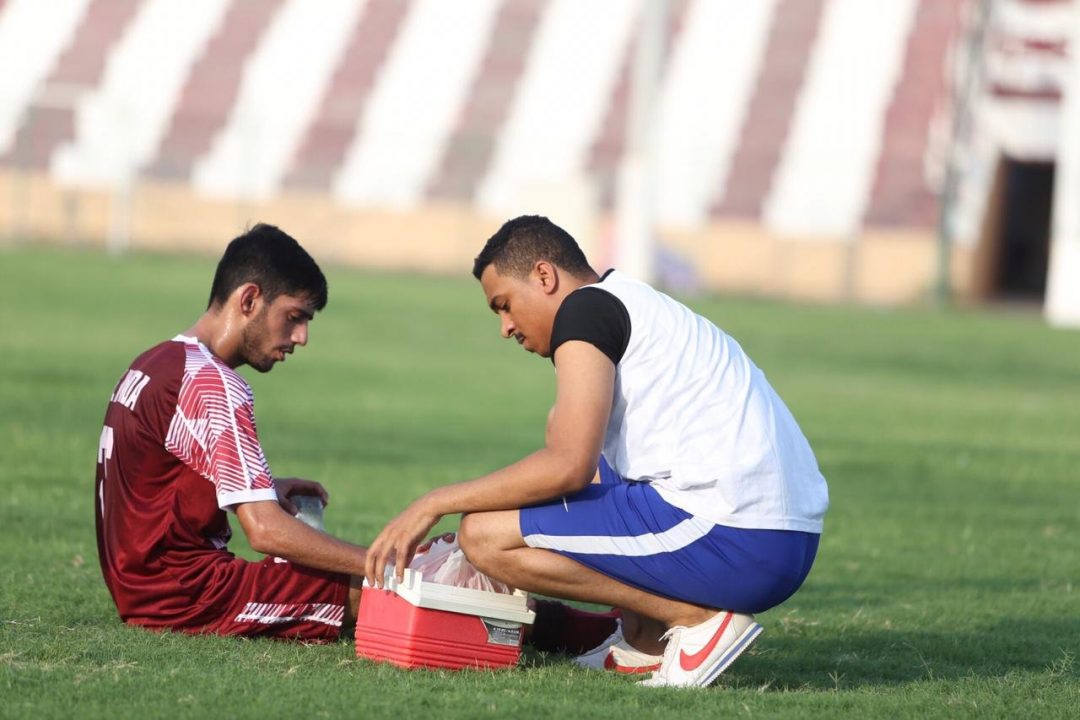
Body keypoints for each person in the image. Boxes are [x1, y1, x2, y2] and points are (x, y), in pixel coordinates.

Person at [364, 215, 828, 687]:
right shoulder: (628, 301)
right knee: (567, 436)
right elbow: (581, 464)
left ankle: (696, 621)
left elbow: (567, 466)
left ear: (544, 276)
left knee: (484, 536)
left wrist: (434, 503)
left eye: (504, 305)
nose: (506, 327)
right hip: (779, 537)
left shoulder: (584, 310)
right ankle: (645, 639)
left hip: (738, 536)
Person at [94, 224, 366, 640]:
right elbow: (265, 530)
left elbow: (160, 477)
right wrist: (381, 563)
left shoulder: (153, 362)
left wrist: (264, 487)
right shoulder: (213, 382)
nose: (302, 337)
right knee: (368, 587)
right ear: (250, 300)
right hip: (185, 594)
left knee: (327, 563)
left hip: (139, 584)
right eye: (294, 317)